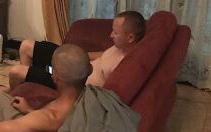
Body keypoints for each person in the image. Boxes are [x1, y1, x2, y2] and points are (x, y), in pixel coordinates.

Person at [9, 11, 146, 91]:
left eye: (115, 32)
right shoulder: (119, 47)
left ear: (130, 37)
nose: (111, 35)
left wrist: (68, 75)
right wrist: (76, 54)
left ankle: (15, 93)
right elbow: (102, 55)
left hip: (70, 83)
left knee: (15, 71)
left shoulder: (126, 66)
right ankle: (23, 89)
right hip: (74, 64)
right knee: (26, 45)